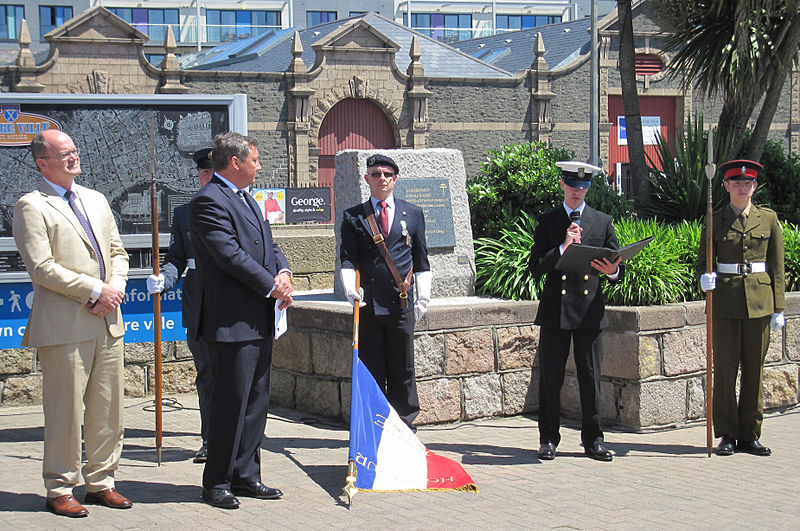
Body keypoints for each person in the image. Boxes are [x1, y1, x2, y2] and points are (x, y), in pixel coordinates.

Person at [12, 129, 132, 517]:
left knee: (108, 408)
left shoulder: (95, 199)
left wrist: (113, 288)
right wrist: (95, 291)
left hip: (107, 323)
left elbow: (117, 251)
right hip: (65, 326)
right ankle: (60, 487)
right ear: (41, 161)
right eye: (64, 154)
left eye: (75, 151)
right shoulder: (32, 205)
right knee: (65, 413)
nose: (73, 158)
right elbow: (42, 268)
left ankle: (102, 482)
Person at [190, 132, 293, 509]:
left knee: (256, 401)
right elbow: (230, 256)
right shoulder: (208, 202)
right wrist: (273, 287)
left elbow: (270, 246)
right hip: (231, 321)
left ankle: (247, 475)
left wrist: (283, 272)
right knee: (230, 404)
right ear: (235, 162)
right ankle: (216, 481)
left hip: (259, 318)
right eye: (255, 159)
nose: (259, 166)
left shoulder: (245, 199)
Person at [529, 161, 623, 462]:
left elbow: (619, 266)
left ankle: (593, 440)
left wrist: (612, 271)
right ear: (562, 186)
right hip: (557, 310)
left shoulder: (601, 221)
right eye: (572, 187)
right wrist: (562, 247)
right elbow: (536, 267)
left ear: (588, 189)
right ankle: (548, 439)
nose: (577, 192)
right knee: (551, 378)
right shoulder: (548, 221)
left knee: (590, 377)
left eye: (582, 188)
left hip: (589, 311)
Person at [697, 159, 785, 457]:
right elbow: (702, 260)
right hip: (725, 303)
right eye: (736, 183)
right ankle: (727, 435)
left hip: (760, 303)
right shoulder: (715, 218)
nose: (741, 188)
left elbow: (776, 267)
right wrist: (704, 280)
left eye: (746, 184)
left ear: (754, 186)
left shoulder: (768, 219)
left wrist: (779, 308)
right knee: (724, 371)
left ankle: (750, 434)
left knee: (754, 371)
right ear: (725, 186)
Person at [339, 153, 431, 430]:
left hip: (401, 304)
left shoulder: (412, 213)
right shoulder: (354, 216)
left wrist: (423, 296)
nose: (382, 179)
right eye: (376, 174)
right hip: (369, 306)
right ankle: (375, 422)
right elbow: (347, 258)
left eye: (387, 175)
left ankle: (405, 422)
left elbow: (421, 257)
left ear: (395, 179)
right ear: (367, 179)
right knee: (373, 367)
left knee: (403, 367)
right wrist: (348, 287)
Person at [146, 148, 214, 463]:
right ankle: (210, 440)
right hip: (199, 307)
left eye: (214, 171)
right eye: (204, 173)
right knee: (208, 376)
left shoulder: (244, 208)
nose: (208, 177)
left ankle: (239, 442)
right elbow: (176, 258)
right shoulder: (184, 213)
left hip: (234, 308)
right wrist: (165, 277)